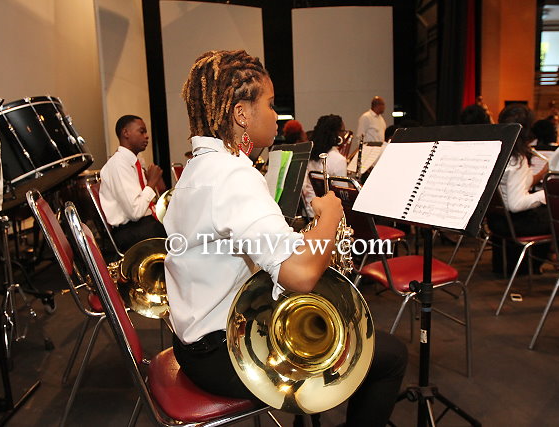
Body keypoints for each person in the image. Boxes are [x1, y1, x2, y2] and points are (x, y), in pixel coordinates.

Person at [163, 50, 407, 427]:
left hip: (193, 344)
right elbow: (300, 275)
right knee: (390, 356)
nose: (276, 114)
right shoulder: (232, 174)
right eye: (270, 103)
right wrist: (330, 215)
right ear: (241, 114)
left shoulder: (200, 167)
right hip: (220, 355)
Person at [486, 103, 550, 273]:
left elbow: (512, 187)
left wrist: (540, 175)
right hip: (515, 224)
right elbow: (516, 204)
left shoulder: (498, 152)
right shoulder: (517, 159)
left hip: (496, 221)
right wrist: (545, 195)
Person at [99, 115, 167, 252]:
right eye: (142, 131)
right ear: (126, 133)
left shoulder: (133, 162)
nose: (147, 136)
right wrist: (151, 183)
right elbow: (135, 213)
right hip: (130, 231)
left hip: (142, 224)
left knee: (180, 223)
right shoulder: (118, 164)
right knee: (179, 233)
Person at [301, 114, 348, 218]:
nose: (345, 134)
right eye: (343, 131)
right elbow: (343, 196)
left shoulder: (311, 154)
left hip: (309, 212)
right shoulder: (338, 159)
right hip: (327, 216)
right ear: (337, 134)